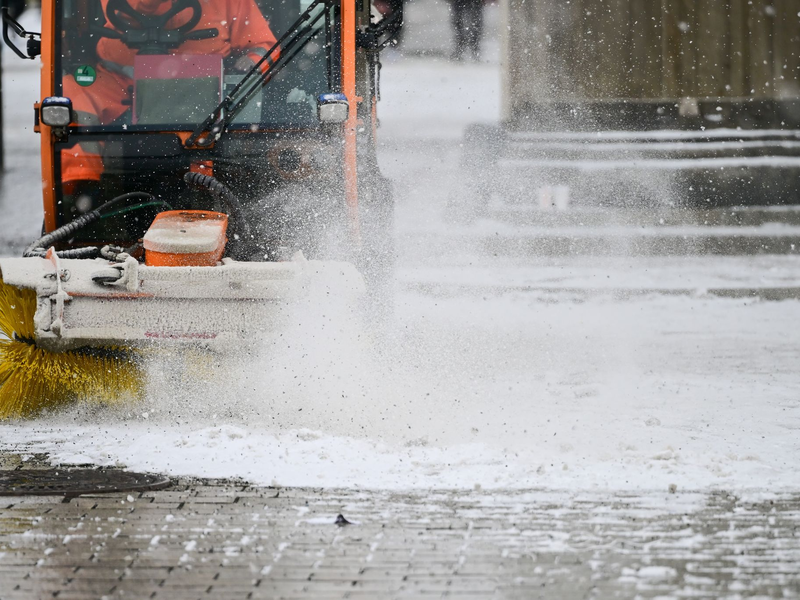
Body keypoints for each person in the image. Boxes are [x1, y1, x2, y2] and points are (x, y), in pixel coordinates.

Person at [61, 0, 279, 191]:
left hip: (204, 86)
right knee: (70, 93)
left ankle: (203, 189)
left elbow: (264, 45)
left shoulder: (231, 2)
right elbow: (123, 11)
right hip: (120, 83)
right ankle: (82, 186)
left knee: (210, 123)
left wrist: (250, 62)